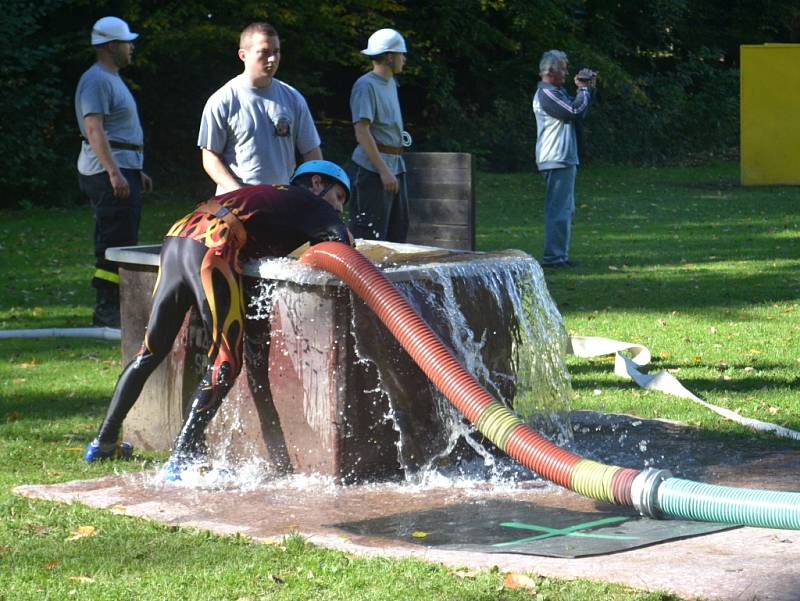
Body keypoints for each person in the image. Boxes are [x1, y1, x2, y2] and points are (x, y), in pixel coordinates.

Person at [83, 160, 353, 477]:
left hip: (178, 236)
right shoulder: (312, 203)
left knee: (151, 350)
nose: (339, 208)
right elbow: (343, 243)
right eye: (339, 198)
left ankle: (103, 442)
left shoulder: (269, 194)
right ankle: (183, 457)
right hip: (213, 246)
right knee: (227, 360)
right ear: (318, 183)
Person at [75, 16, 153, 328]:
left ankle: (118, 307)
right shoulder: (96, 80)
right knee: (113, 241)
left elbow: (118, 130)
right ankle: (106, 310)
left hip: (124, 168)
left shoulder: (110, 78)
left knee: (124, 239)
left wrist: (135, 169)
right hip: (109, 173)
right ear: (111, 45)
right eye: (126, 42)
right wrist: (114, 172)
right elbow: (94, 128)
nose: (131, 47)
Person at [198, 22, 322, 195]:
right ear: (243, 55)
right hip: (236, 205)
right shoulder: (223, 100)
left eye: (276, 52)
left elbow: (311, 151)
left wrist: (314, 189)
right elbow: (210, 157)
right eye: (264, 52)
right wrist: (239, 193)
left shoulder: (293, 98)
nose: (272, 59)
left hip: (283, 200)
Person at [532, 50, 595, 269]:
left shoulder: (555, 92)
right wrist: (584, 88)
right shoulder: (547, 94)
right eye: (563, 68)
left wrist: (584, 90)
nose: (566, 73)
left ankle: (558, 256)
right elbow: (575, 110)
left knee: (564, 209)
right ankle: (553, 258)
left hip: (563, 158)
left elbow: (578, 109)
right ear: (550, 71)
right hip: (556, 157)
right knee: (558, 209)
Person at [347, 28, 409, 242]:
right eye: (401, 54)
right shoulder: (366, 86)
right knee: (369, 239)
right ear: (389, 56)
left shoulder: (391, 82)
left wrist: (392, 171)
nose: (404, 59)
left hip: (395, 166)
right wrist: (384, 172)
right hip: (372, 171)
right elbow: (362, 132)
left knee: (397, 236)